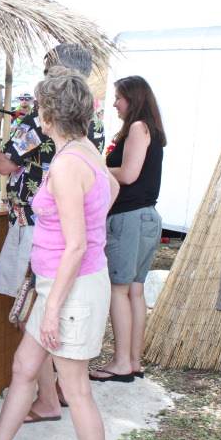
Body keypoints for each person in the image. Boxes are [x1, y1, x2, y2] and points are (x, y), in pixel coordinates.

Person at [0, 68, 119, 440]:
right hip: (61, 285)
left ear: (48, 115)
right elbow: (113, 188)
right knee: (24, 367)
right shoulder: (83, 148)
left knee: (76, 389)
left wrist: (52, 308)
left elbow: (77, 246)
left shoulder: (68, 163)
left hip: (69, 291)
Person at [0, 43, 105, 423]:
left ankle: (47, 398)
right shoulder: (93, 120)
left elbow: (4, 164)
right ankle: (53, 392)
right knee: (46, 319)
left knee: (32, 314)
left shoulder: (44, 116)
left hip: (36, 226)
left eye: (46, 70)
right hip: (72, 238)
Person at [90, 75, 165, 383]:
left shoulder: (137, 127)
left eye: (119, 98)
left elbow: (129, 174)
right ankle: (132, 361)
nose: (114, 104)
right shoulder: (151, 129)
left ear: (133, 99)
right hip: (146, 217)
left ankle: (121, 362)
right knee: (134, 290)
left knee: (118, 290)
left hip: (129, 218)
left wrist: (95, 168)